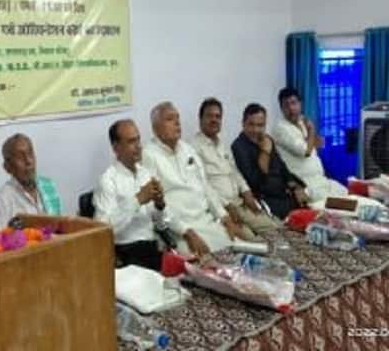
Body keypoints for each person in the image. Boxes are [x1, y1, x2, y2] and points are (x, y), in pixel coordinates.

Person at [142, 102, 234, 257]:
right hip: (179, 229)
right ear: (155, 128)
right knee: (201, 261)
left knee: (232, 249)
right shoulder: (148, 155)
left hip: (205, 221)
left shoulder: (187, 149)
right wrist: (186, 232)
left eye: (178, 118)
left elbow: (205, 186)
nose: (177, 123)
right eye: (170, 119)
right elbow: (154, 206)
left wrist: (223, 215)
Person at [191, 98, 277, 239]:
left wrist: (247, 192)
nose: (214, 120)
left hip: (240, 202)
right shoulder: (194, 148)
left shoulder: (222, 145)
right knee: (250, 239)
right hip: (221, 208)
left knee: (274, 229)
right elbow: (203, 185)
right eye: (209, 116)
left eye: (218, 116)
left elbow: (235, 172)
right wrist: (226, 206)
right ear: (200, 119)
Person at [94, 119, 167, 271]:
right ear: (116, 148)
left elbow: (161, 224)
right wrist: (138, 199)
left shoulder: (145, 173)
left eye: (138, 140)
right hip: (126, 254)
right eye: (131, 142)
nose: (138, 146)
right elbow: (103, 230)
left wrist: (160, 205)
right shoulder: (108, 180)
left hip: (152, 246)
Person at [232, 103, 308, 220]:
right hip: (266, 199)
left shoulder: (267, 139)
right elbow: (255, 181)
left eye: (260, 125)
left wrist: (296, 187)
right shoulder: (239, 146)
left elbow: (282, 167)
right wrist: (265, 152)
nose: (256, 130)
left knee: (313, 213)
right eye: (251, 124)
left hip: (284, 194)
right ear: (243, 124)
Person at [271, 87, 347, 203]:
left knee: (344, 191)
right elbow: (305, 151)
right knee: (334, 202)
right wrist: (311, 129)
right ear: (281, 109)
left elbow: (318, 143)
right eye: (286, 105)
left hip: (319, 179)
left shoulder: (301, 122)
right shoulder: (280, 128)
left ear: (300, 104)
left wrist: (309, 131)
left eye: (294, 103)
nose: (291, 108)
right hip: (303, 183)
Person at [0, 134, 61, 229]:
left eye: (30, 154)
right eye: (20, 157)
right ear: (7, 167)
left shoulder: (48, 187)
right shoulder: (2, 200)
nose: (28, 161)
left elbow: (60, 229)